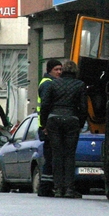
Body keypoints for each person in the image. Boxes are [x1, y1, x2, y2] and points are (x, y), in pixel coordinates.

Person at [39, 60, 88, 198]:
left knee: (57, 155)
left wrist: (44, 125)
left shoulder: (53, 84)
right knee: (69, 155)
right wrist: (80, 124)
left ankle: (58, 189)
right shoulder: (80, 85)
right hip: (72, 120)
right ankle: (69, 189)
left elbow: (45, 105)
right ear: (75, 71)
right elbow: (84, 108)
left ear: (63, 71)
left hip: (54, 120)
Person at [36, 59, 63, 196]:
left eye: (60, 69)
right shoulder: (48, 84)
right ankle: (45, 188)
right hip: (47, 126)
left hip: (46, 125)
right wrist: (45, 126)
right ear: (49, 70)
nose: (59, 72)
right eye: (56, 69)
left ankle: (47, 186)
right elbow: (46, 106)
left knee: (51, 156)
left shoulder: (49, 82)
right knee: (50, 157)